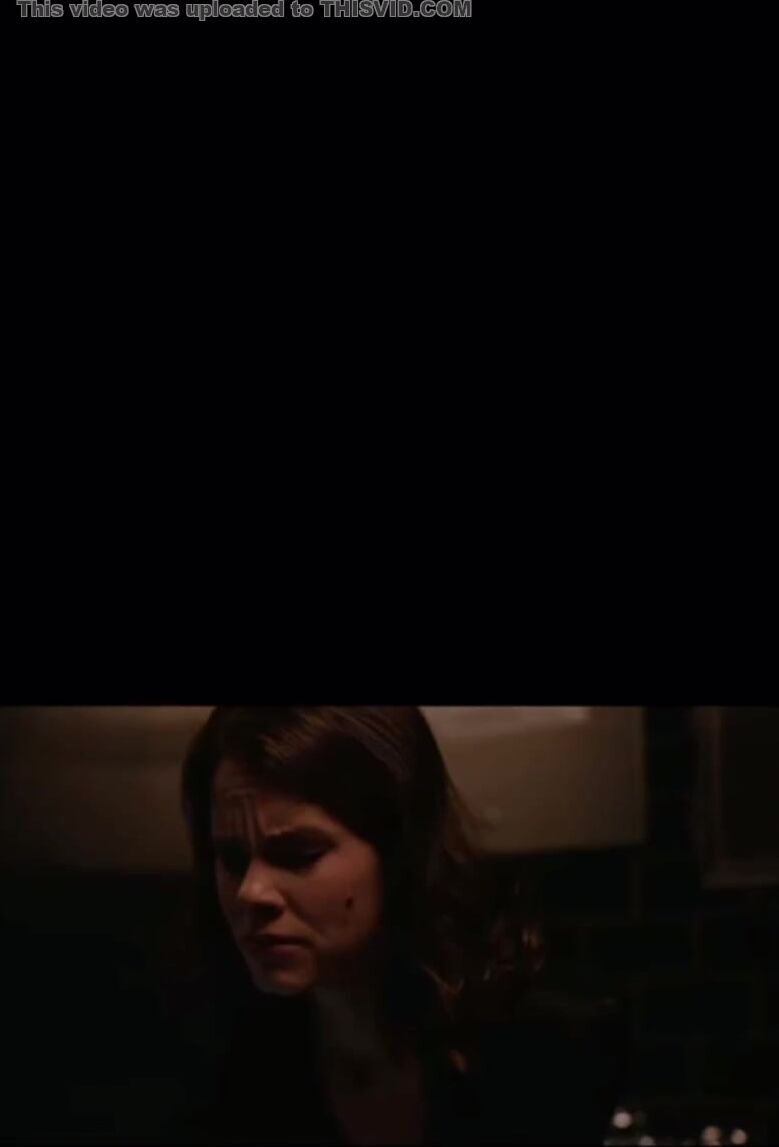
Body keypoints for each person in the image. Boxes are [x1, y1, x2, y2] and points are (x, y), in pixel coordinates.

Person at [170, 706, 624, 1144]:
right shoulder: (213, 1066)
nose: (251, 892)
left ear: (397, 851)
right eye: (232, 859)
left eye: (299, 855)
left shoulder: (542, 1051)